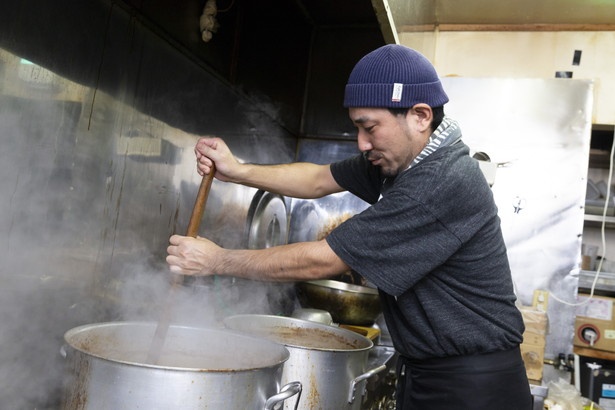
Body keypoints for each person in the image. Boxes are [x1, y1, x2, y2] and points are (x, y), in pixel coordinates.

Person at [166, 44, 532, 409]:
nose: (362, 142)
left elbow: (323, 260)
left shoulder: (441, 180)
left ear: (420, 116)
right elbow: (317, 179)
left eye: (369, 127)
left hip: (474, 389)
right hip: (426, 372)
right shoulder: (406, 162)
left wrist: (216, 261)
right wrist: (238, 171)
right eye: (357, 127)